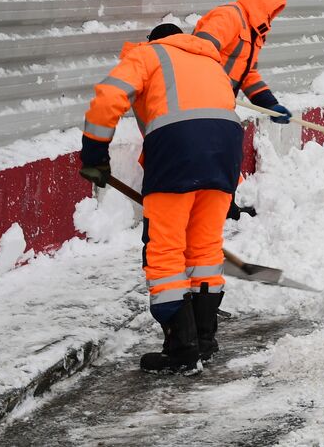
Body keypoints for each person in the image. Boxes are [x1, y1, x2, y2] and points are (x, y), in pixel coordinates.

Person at [79, 22, 243, 373]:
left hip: (177, 151)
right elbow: (218, 113)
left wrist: (94, 155)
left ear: (154, 41)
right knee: (204, 248)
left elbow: (109, 96)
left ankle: (181, 348)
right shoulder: (211, 61)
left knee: (165, 248)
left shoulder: (147, 54)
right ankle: (204, 338)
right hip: (226, 151)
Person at [193, 0, 291, 123]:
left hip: (220, 105)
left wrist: (270, 104)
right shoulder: (229, 16)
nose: (271, 17)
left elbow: (248, 74)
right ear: (262, 4)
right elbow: (198, 50)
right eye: (271, 11)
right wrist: (214, 89)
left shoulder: (254, 34)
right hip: (198, 100)